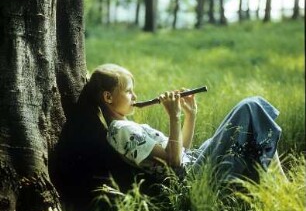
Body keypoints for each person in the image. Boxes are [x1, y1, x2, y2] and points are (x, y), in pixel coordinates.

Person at [84, 63, 286, 185]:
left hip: (195, 162)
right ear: (108, 97)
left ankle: (277, 183)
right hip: (194, 178)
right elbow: (174, 162)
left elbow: (182, 151)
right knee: (249, 107)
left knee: (249, 116)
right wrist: (174, 116)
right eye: (128, 91)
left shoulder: (125, 127)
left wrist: (191, 115)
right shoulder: (121, 131)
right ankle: (280, 184)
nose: (134, 96)